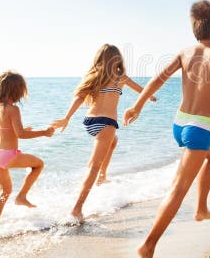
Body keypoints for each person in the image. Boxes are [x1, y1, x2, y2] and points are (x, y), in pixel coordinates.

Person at [124, 0, 210, 258]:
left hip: (180, 123)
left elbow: (157, 80)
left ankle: (201, 209)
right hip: (200, 128)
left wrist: (136, 105)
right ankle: (148, 244)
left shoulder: (185, 53)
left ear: (195, 29)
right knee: (178, 188)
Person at [52, 44, 155, 221]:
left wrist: (67, 118)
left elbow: (79, 98)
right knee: (93, 166)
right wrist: (149, 96)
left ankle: (102, 176)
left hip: (90, 122)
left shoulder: (94, 76)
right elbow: (141, 89)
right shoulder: (120, 77)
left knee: (113, 142)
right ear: (117, 59)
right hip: (107, 123)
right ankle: (77, 208)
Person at [0, 71, 53, 219]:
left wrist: (23, 130)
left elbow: (5, 130)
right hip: (7, 155)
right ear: (16, 90)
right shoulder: (13, 109)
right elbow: (20, 134)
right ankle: (22, 196)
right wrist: (44, 132)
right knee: (39, 164)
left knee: (5, 191)